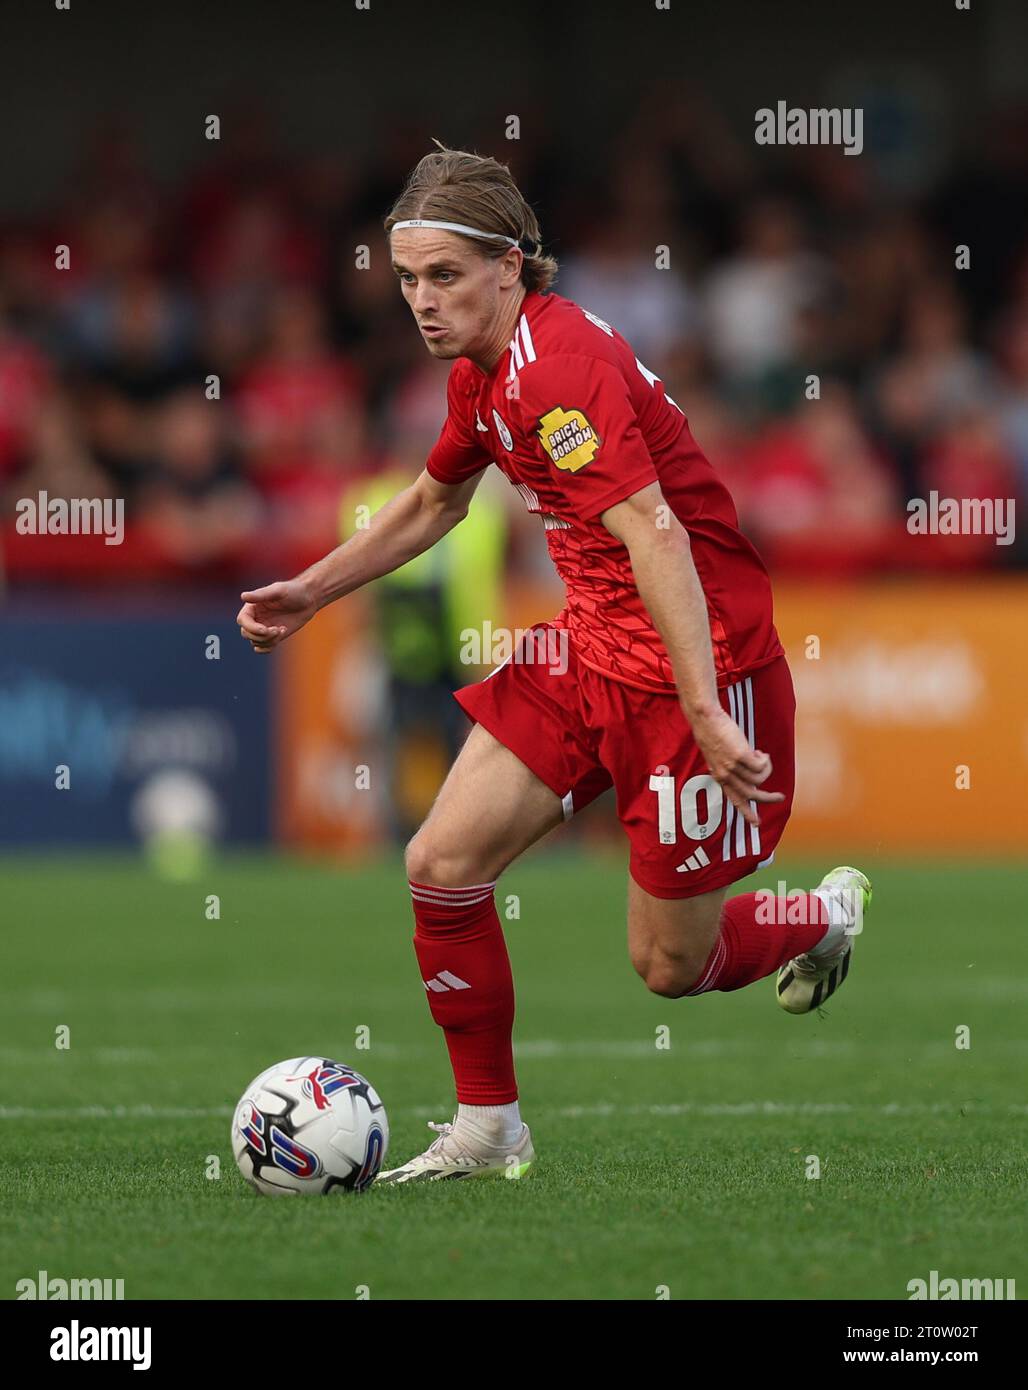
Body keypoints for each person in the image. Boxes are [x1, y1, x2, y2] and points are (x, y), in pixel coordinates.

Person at [237, 147, 871, 1184]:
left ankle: (820, 914)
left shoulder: (556, 372)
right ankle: (488, 1126)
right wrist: (314, 588)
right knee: (439, 865)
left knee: (674, 967)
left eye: (443, 276)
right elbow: (435, 500)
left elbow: (656, 535)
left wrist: (706, 708)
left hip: (687, 664)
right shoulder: (480, 375)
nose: (421, 301)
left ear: (510, 264)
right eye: (406, 279)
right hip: (587, 647)